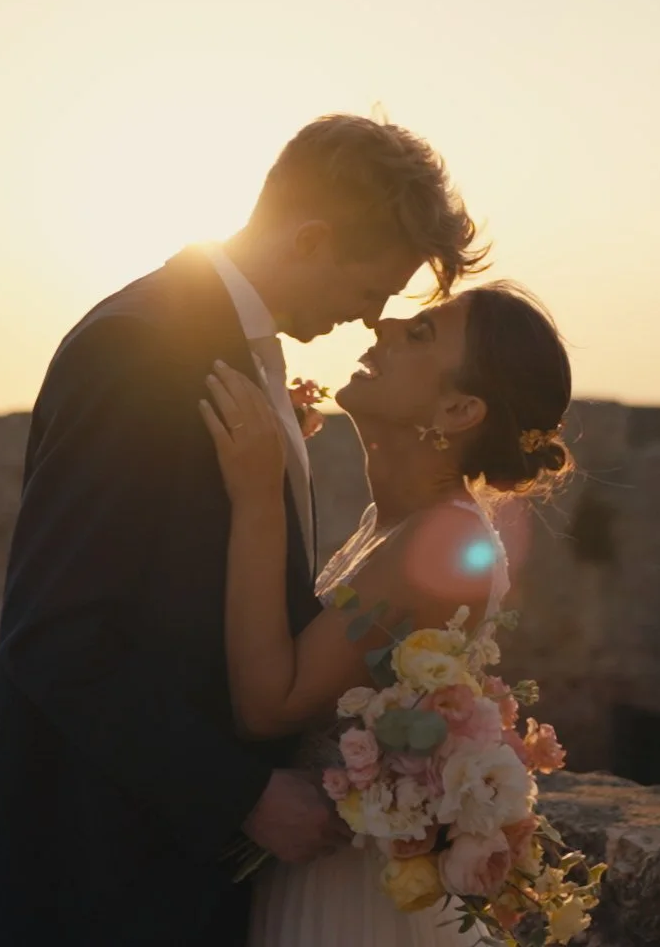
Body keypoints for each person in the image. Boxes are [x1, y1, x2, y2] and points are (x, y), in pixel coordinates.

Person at [0, 113, 487, 945]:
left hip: (173, 872)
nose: (370, 317)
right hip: (97, 875)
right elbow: (54, 638)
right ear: (312, 239)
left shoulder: (232, 350)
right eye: (371, 288)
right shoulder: (139, 349)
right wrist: (238, 794)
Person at [200, 282, 573, 945]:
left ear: (459, 408)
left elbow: (268, 703)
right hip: (318, 874)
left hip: (347, 905)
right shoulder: (394, 522)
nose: (385, 323)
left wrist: (257, 494)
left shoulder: (447, 543)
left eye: (422, 333)